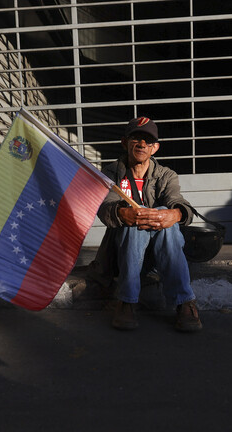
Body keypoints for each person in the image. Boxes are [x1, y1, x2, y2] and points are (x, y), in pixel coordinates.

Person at [88, 116, 202, 332]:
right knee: (134, 220)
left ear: (155, 148)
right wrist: (123, 213)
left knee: (163, 215)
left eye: (148, 141)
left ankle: (184, 303)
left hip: (160, 252)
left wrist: (175, 214)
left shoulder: (166, 175)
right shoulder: (111, 174)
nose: (141, 144)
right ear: (125, 143)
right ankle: (128, 301)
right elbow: (104, 208)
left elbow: (178, 202)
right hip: (123, 250)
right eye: (136, 139)